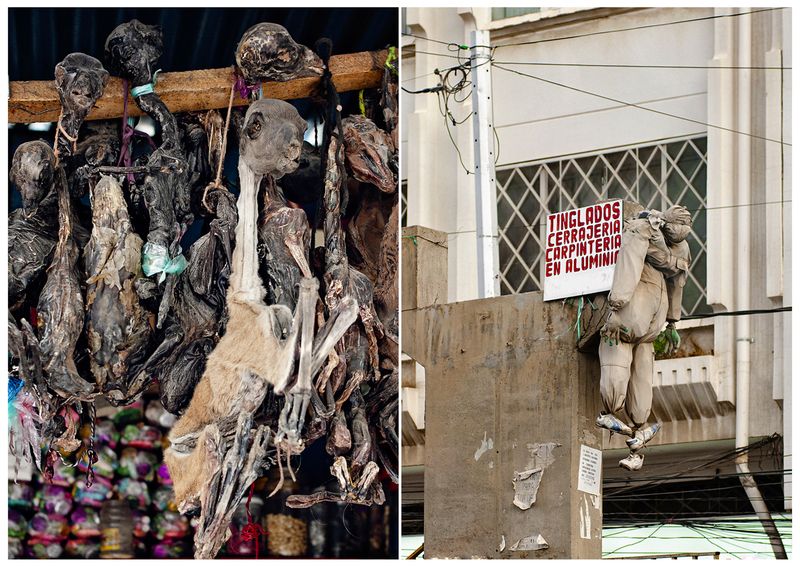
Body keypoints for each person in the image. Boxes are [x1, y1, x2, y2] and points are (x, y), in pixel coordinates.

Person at [595, 204, 692, 470]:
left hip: (645, 324)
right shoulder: (646, 232)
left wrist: (672, 321)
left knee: (639, 385)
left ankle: (636, 435)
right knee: (619, 374)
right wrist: (616, 307)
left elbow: (674, 281)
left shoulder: (673, 245)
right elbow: (631, 265)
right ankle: (616, 419)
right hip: (631, 321)